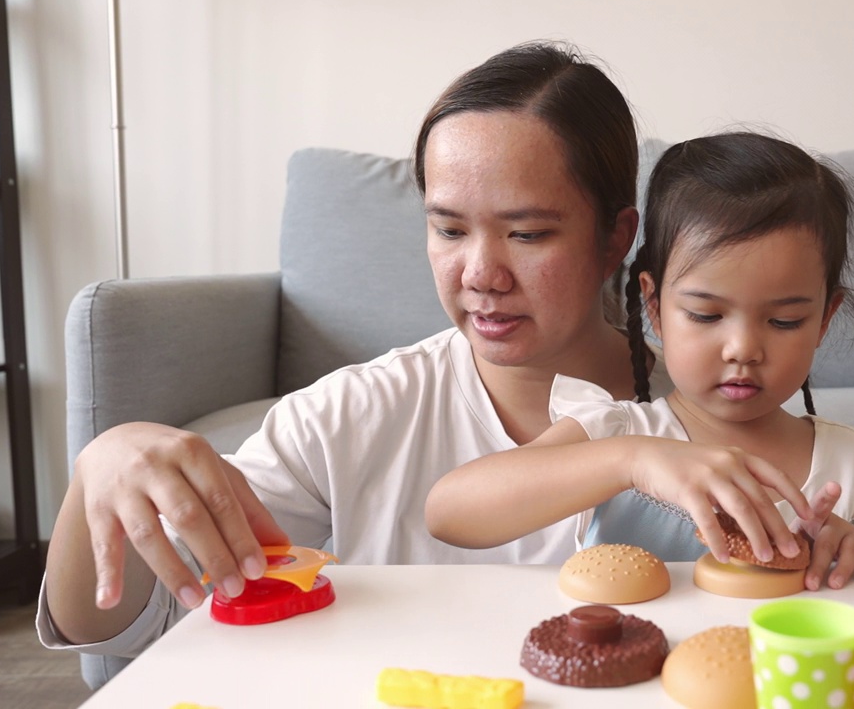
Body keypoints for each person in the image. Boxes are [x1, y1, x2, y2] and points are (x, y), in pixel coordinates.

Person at [38, 41, 705, 673]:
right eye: (448, 228)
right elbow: (132, 627)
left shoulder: (717, 416)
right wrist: (102, 465)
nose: (480, 273)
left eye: (527, 233)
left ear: (616, 236)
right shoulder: (351, 417)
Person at [427, 132, 854, 590]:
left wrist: (848, 557)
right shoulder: (617, 431)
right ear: (653, 305)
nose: (743, 348)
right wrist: (632, 460)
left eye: (784, 322)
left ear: (825, 318)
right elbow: (450, 513)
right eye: (705, 314)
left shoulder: (849, 466)